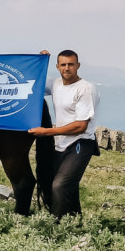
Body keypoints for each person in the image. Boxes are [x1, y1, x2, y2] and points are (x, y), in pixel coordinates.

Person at [28, 49, 100, 219]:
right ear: (58, 67)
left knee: (59, 186)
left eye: (71, 64)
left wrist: (46, 132)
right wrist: (39, 61)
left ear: (78, 66)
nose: (67, 68)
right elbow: (33, 83)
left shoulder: (85, 89)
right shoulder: (56, 84)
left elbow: (80, 126)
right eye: (63, 65)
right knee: (70, 187)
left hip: (80, 143)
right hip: (61, 145)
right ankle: (76, 222)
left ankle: (58, 228)